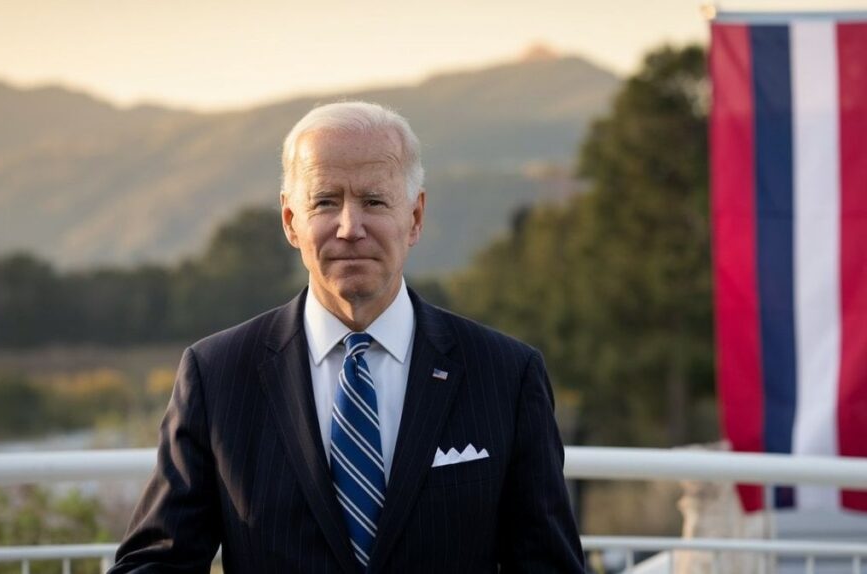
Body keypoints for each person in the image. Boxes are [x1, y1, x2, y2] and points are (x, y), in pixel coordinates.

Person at [109, 101, 585, 573]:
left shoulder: (505, 375)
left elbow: (548, 565)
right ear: (291, 221)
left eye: (374, 201)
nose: (350, 227)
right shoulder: (216, 376)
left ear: (415, 217)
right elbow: (155, 564)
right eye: (325, 201)